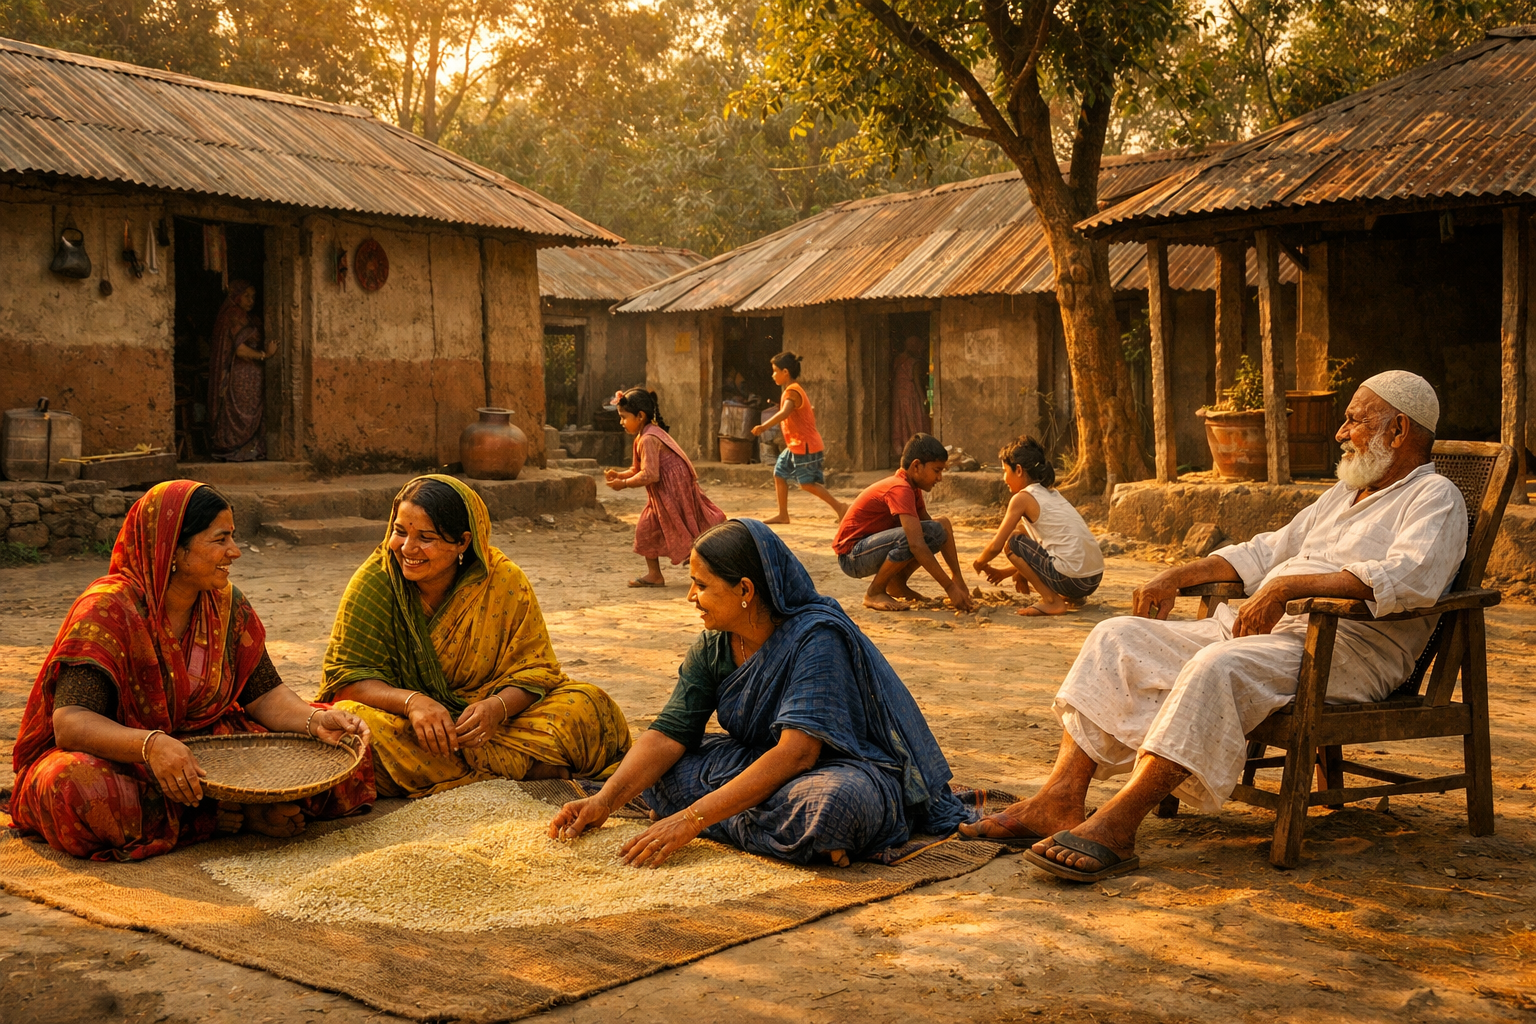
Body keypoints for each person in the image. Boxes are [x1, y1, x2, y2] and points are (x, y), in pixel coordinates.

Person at [960, 372, 1467, 881]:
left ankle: (1119, 823)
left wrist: (1285, 589)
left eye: (1354, 421)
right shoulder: (1344, 493)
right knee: (1116, 636)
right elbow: (1266, 551)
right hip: (1270, 637)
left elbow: (1412, 576)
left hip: (1346, 649)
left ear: (1398, 430)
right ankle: (1061, 798)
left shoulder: (1435, 497)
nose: (1341, 433)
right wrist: (1177, 575)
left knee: (1215, 666)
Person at [546, 519, 974, 866]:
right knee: (660, 773)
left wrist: (691, 820)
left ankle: (728, 820)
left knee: (835, 806)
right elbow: (669, 733)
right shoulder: (714, 644)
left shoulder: (816, 638)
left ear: (746, 590)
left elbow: (798, 754)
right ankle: (774, 834)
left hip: (834, 769)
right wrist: (605, 801)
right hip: (756, 763)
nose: (691, 596)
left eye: (701, 585)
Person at [8, 482, 374, 861]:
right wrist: (152, 745)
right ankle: (221, 815)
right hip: (127, 755)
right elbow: (70, 723)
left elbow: (265, 695)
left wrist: (315, 721)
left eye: (232, 537)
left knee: (349, 748)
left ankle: (219, 808)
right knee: (72, 787)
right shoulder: (107, 610)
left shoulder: (227, 605)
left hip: (208, 749)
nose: (234, 551)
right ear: (173, 548)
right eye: (220, 539)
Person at [321, 475, 632, 797]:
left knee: (589, 705)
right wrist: (414, 702)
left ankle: (472, 769)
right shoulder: (374, 582)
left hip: (490, 723)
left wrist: (496, 708)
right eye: (399, 532)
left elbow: (535, 671)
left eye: (426, 537)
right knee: (355, 725)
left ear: (463, 541)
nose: (407, 548)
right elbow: (347, 681)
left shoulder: (502, 579)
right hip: (411, 725)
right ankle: (525, 767)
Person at [832, 433, 975, 612]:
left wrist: (957, 579)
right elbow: (916, 544)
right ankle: (874, 592)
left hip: (868, 548)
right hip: (852, 556)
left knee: (940, 527)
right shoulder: (900, 488)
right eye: (937, 471)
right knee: (912, 538)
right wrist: (949, 588)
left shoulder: (912, 488)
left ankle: (897, 584)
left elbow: (933, 530)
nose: (940, 478)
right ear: (916, 466)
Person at [605, 388, 727, 588]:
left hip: (673, 491)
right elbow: (637, 469)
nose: (621, 422)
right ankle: (655, 575)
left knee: (684, 527)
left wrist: (624, 484)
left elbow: (649, 474)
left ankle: (711, 570)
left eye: (624, 417)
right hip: (665, 491)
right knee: (648, 529)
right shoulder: (643, 436)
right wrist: (619, 475)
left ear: (640, 416)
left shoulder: (648, 439)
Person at [972, 436, 1104, 616]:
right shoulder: (1052, 494)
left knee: (1013, 542)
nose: (1004, 478)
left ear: (1018, 470)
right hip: (1092, 580)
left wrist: (979, 563)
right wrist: (1007, 573)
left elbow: (997, 545)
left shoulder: (1022, 498)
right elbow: (1043, 548)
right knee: (1021, 533)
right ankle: (1072, 597)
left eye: (1005, 471)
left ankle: (1051, 601)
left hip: (1071, 580)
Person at [752, 352, 848, 524]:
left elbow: (785, 413)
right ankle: (783, 515)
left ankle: (840, 507)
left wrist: (763, 427)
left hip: (805, 446)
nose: (773, 375)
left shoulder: (792, 392)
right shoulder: (792, 390)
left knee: (806, 483)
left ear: (785, 372)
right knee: (779, 473)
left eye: (775, 371)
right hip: (795, 445)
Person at [207, 280, 275, 462]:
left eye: (253, 296)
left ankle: (248, 448)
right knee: (239, 410)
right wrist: (265, 355)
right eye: (246, 296)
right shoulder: (234, 315)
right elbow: (240, 349)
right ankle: (233, 447)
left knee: (251, 409)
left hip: (250, 375)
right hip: (239, 375)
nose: (251, 300)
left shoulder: (247, 317)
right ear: (236, 296)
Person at [891, 335, 931, 452]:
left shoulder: (898, 360)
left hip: (898, 396)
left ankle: (902, 448)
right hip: (911, 397)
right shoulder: (915, 363)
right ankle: (917, 448)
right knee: (914, 420)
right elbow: (917, 382)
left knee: (901, 421)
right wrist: (924, 400)